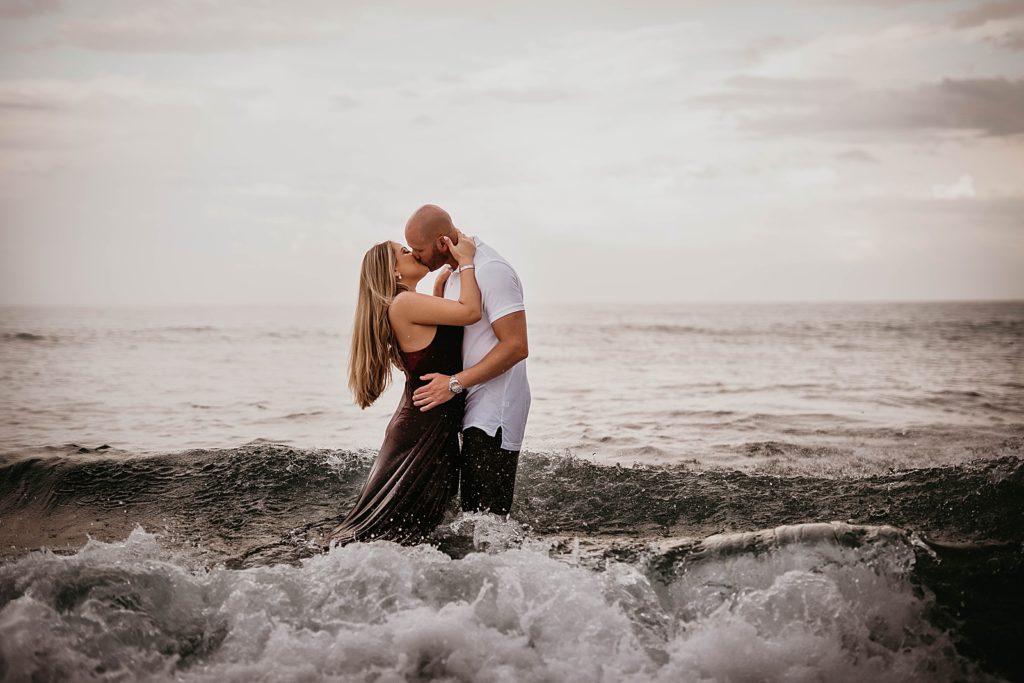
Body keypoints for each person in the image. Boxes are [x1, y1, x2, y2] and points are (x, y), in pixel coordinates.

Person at [324, 231, 480, 546]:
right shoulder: (404, 303)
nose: (414, 253)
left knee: (407, 529)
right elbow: (470, 312)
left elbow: (436, 343)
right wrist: (466, 263)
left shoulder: (407, 304)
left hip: (422, 422)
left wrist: (438, 289)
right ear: (394, 271)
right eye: (405, 251)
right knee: (392, 531)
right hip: (422, 426)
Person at [405, 205, 530, 517]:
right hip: (468, 401)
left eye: (419, 250)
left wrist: (453, 384)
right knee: (471, 513)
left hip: (494, 408)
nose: (416, 256)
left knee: (488, 518)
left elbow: (516, 346)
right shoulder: (458, 273)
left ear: (441, 242)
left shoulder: (491, 270)